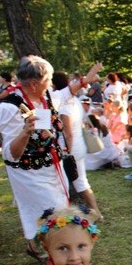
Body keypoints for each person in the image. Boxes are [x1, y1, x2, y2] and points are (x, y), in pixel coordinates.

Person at [0, 55, 101, 261]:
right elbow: (10, 153)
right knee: (49, 208)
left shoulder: (46, 97)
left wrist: (86, 79)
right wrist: (25, 132)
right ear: (33, 83)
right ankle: (56, 249)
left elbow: (66, 91)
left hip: (53, 166)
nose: (50, 84)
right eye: (47, 80)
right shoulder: (10, 108)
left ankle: (44, 246)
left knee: (55, 205)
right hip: (28, 172)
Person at [52, 72, 102, 218]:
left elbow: (68, 132)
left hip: (70, 147)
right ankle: (96, 212)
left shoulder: (64, 106)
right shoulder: (75, 102)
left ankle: (69, 214)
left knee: (68, 183)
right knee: (81, 182)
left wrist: (67, 150)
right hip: (78, 145)